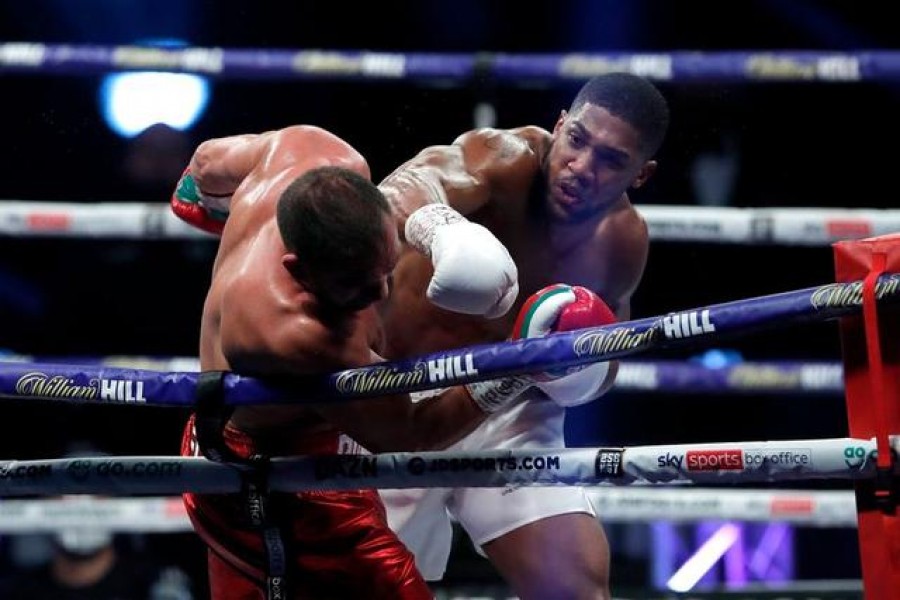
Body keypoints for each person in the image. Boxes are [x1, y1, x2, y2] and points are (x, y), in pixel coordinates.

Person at [169, 124, 599, 599]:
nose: (381, 292)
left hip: (307, 444)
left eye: (386, 268)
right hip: (269, 478)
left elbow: (205, 163)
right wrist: (517, 367)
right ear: (298, 270)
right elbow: (408, 432)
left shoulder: (312, 149)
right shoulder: (297, 335)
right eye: (357, 289)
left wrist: (432, 226)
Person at [372, 72, 670, 599]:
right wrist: (446, 231)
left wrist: (579, 373)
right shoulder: (501, 158)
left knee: (577, 588)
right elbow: (398, 190)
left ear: (640, 175)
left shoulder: (621, 242)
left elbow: (611, 357)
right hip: (401, 397)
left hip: (508, 408)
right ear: (559, 126)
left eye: (610, 160)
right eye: (577, 140)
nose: (581, 168)